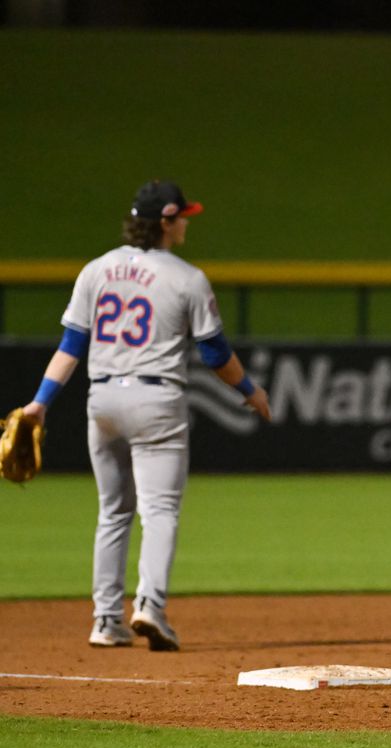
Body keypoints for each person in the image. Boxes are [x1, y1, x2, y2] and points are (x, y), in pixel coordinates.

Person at [21, 179, 271, 650]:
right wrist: (250, 390)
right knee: (159, 511)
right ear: (166, 221)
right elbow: (215, 353)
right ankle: (150, 607)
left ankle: (105, 619)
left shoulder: (96, 270)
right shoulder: (185, 277)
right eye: (183, 217)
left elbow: (71, 347)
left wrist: (39, 402)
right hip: (156, 403)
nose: (187, 225)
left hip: (103, 401)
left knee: (113, 513)